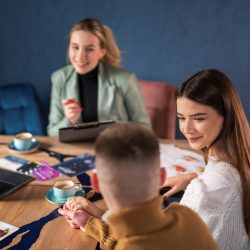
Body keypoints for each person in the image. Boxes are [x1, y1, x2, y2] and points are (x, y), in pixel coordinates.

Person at [59, 123, 218, 250]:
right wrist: (92, 222)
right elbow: (143, 237)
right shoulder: (187, 216)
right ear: (162, 177)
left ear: (96, 183)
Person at [161, 69, 250, 250]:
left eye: (198, 118)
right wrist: (193, 176)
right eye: (181, 118)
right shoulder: (241, 158)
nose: (186, 128)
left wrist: (101, 221)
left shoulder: (206, 192)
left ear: (226, 116)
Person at [47, 18, 150, 136]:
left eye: (89, 49)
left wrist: (119, 130)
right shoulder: (59, 78)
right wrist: (69, 120)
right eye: (75, 47)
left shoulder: (125, 79)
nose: (80, 57)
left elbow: (145, 129)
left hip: (116, 150)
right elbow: (52, 133)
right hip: (75, 153)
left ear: (102, 52)